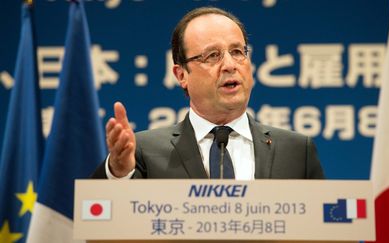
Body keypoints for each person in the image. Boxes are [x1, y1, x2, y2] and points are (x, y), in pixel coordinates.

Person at [92, 7, 325, 180]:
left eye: (237, 52)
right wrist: (119, 172)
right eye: (212, 55)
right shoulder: (144, 151)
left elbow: (322, 227)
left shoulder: (296, 150)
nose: (229, 65)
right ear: (181, 74)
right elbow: (101, 218)